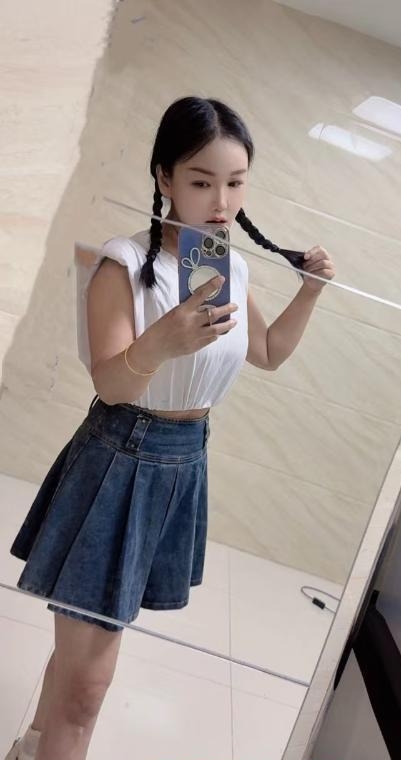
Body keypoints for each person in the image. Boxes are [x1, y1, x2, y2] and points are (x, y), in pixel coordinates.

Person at [6, 96, 335, 760]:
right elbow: (111, 385)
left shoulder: (227, 264)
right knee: (88, 686)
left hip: (184, 463)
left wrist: (309, 292)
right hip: (119, 456)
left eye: (236, 183)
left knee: (82, 654)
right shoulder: (123, 263)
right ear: (164, 178)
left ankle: (33, 747)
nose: (222, 202)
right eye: (202, 181)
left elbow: (267, 351)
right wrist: (161, 342)